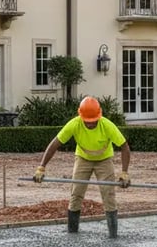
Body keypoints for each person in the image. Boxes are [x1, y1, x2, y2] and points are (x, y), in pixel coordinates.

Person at [33, 96, 131, 238]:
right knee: (76, 193)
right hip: (83, 159)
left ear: (99, 116)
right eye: (87, 122)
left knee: (108, 194)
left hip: (104, 160)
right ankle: (72, 232)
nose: (90, 124)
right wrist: (41, 167)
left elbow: (124, 147)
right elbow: (55, 143)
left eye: (93, 122)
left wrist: (124, 172)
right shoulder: (74, 124)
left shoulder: (107, 125)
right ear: (81, 116)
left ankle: (113, 234)